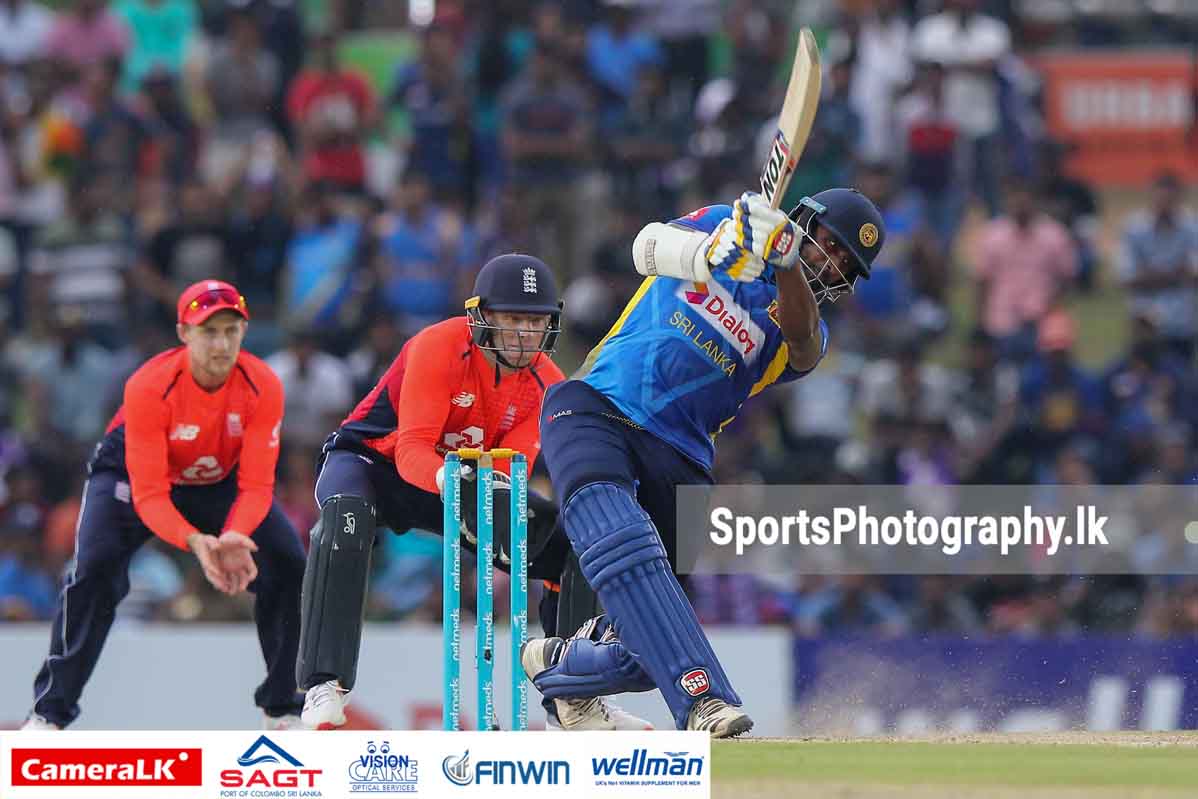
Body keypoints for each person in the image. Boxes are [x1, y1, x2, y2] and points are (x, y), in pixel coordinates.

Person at [521, 188, 886, 737]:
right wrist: (714, 251)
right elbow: (645, 248)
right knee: (619, 533)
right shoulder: (723, 222)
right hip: (598, 404)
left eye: (843, 263)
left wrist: (785, 261)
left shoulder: (808, 324)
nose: (830, 262)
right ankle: (704, 701)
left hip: (682, 454)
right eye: (828, 244)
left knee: (644, 650)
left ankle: (560, 665)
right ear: (804, 221)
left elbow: (803, 341)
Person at [297, 253, 651, 732]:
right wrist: (450, 480)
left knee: (576, 546)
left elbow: (506, 472)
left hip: (464, 481)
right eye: (513, 320)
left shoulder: (549, 384)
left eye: (536, 322)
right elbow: (412, 448)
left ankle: (572, 701)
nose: (525, 335)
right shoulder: (438, 346)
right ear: (481, 316)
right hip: (374, 465)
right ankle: (324, 684)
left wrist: (485, 496)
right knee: (345, 522)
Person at [23, 280, 308, 730]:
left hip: (218, 476)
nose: (221, 345)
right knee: (95, 570)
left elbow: (256, 485)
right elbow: (150, 495)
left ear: (244, 332)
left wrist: (235, 534)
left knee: (289, 564)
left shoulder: (263, 384)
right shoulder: (150, 385)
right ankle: (49, 716)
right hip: (131, 475)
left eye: (231, 331)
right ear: (183, 334)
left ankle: (282, 707)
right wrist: (195, 542)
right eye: (208, 332)